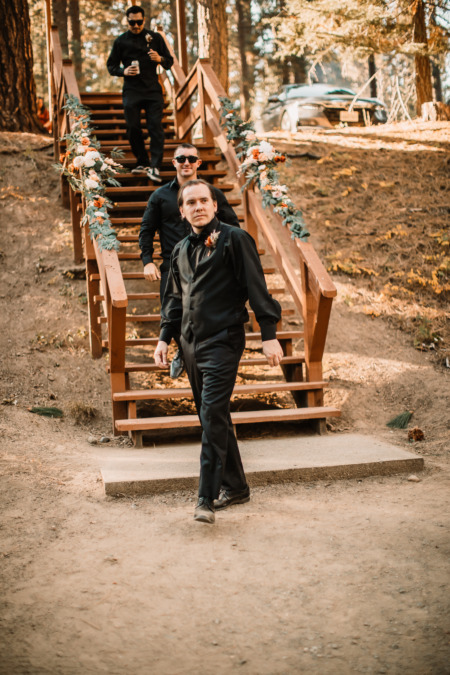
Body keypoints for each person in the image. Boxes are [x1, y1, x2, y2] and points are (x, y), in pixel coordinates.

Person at [154, 180, 284, 524]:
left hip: (224, 340)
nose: (197, 206)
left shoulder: (235, 239)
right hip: (189, 343)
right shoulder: (179, 250)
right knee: (213, 416)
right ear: (182, 211)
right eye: (190, 202)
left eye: (203, 201)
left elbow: (257, 288)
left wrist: (269, 335)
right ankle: (237, 486)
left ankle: (205, 497)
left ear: (214, 205)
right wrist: (164, 338)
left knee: (211, 413)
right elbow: (173, 299)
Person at [139, 142, 240, 377]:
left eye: (191, 159)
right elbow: (146, 230)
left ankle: (203, 355)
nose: (187, 163)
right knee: (172, 310)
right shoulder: (160, 196)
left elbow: (232, 226)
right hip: (173, 266)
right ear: (174, 162)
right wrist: (147, 260)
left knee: (205, 311)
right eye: (182, 159)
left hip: (209, 266)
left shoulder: (210, 195)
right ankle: (184, 351)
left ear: (198, 163)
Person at [106, 5, 173, 182]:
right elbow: (111, 66)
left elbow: (169, 62)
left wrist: (160, 59)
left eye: (139, 22)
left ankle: (155, 166)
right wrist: (123, 71)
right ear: (127, 21)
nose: (136, 25)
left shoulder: (155, 38)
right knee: (132, 127)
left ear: (144, 20)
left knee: (155, 126)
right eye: (132, 22)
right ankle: (142, 161)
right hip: (132, 91)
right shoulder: (120, 41)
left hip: (153, 90)